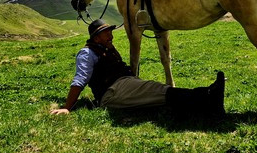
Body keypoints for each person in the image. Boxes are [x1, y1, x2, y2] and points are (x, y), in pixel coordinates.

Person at [50, 19, 225, 117]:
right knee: (159, 91)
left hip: (122, 85)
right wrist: (67, 107)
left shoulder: (106, 48)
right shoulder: (87, 53)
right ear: (96, 38)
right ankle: (208, 97)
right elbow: (80, 79)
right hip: (112, 92)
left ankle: (206, 100)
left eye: (110, 31)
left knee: (158, 92)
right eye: (106, 33)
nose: (110, 35)